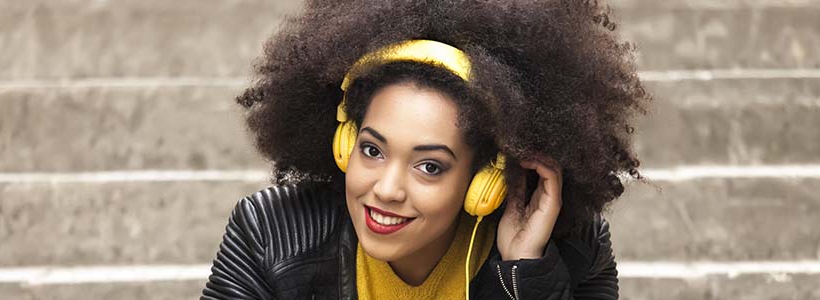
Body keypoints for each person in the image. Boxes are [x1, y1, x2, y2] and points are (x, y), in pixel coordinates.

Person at [202, 0, 650, 299]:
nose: (388, 189)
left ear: (485, 179)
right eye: (373, 151)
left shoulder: (573, 251)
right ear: (344, 143)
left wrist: (525, 275)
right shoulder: (270, 236)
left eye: (429, 166)